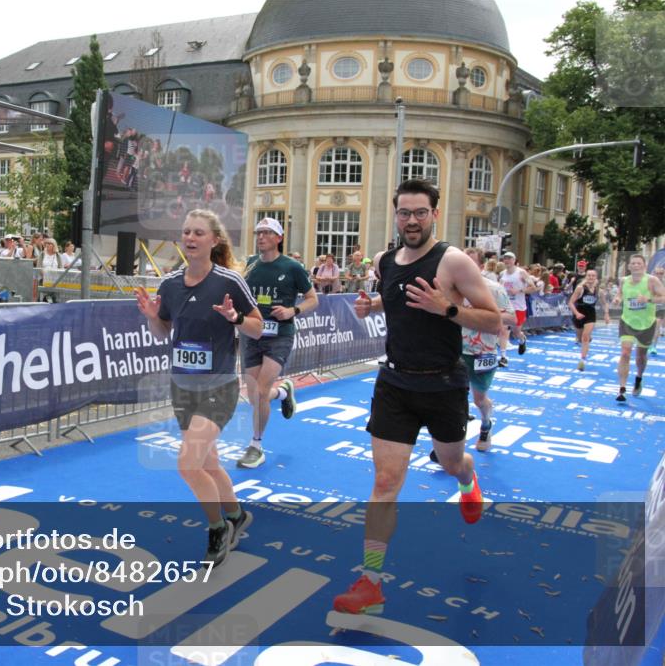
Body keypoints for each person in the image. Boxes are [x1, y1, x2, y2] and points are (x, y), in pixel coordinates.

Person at [333, 179, 500, 615]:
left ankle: (467, 479)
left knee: (451, 461)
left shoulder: (454, 261)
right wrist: (376, 307)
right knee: (385, 482)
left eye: (419, 212)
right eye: (404, 212)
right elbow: (402, 301)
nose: (411, 220)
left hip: (443, 384)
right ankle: (370, 581)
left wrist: (446, 308)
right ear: (396, 214)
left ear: (434, 215)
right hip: (395, 384)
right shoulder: (388, 261)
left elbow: (493, 321)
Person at [135, 209, 261, 567]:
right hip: (182, 386)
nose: (190, 238)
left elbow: (256, 326)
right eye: (186, 232)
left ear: (214, 240)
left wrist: (235, 319)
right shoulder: (170, 284)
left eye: (198, 233)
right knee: (208, 462)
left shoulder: (229, 282)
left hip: (219, 385)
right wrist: (151, 318)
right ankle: (236, 516)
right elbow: (163, 333)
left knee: (188, 465)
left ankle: (218, 529)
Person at [237, 217, 318, 469]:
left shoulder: (292, 267)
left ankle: (256, 445)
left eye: (267, 233)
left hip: (279, 335)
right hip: (251, 335)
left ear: (279, 238)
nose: (261, 237)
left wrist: (292, 311)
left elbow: (313, 299)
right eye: (258, 232)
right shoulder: (250, 264)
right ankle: (283, 392)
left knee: (261, 392)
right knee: (254, 397)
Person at [458, 246, 516, 452]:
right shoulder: (450, 287)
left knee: (479, 399)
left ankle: (486, 423)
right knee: (453, 396)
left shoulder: (493, 289)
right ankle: (451, 443)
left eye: (470, 264)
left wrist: (482, 316)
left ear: (481, 267)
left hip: (483, 351)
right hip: (456, 350)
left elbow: (511, 317)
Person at [612, 254, 665, 402]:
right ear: (629, 267)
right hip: (627, 322)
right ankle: (622, 389)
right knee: (625, 352)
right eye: (633, 263)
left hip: (646, 324)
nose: (636, 266)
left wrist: (647, 299)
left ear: (644, 266)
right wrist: (617, 299)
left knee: (641, 357)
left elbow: (663, 297)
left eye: (639, 263)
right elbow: (620, 294)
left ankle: (639, 378)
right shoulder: (624, 281)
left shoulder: (652, 280)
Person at [569, 268, 610, 371]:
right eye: (589, 275)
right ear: (586, 277)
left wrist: (606, 314)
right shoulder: (580, 288)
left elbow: (605, 303)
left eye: (593, 276)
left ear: (596, 278)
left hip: (590, 315)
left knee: (585, 337)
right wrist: (577, 313)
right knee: (579, 338)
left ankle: (582, 360)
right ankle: (583, 340)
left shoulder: (599, 291)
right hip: (579, 314)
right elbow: (570, 302)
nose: (591, 277)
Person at [497, 251, 534, 365]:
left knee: (516, 332)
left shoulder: (521, 273)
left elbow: (533, 287)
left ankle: (522, 339)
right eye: (505, 259)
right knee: (504, 330)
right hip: (506, 306)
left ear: (514, 260)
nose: (507, 261)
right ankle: (503, 357)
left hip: (519, 306)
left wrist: (519, 291)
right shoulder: (502, 274)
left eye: (509, 259)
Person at [651, 266, 665, 356]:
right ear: (654, 273)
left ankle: (653, 347)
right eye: (657, 273)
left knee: (657, 325)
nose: (659, 275)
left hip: (661, 308)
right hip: (650, 308)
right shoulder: (650, 283)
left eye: (661, 273)